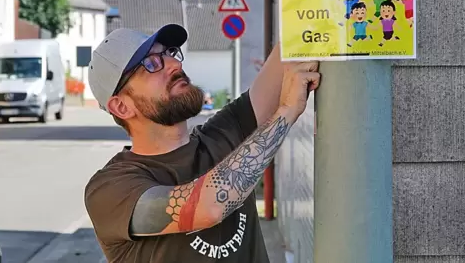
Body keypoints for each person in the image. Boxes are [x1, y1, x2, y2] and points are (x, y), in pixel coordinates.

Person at [84, 23, 320, 262]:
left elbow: (294, 39)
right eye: (152, 63)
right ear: (122, 106)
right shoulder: (110, 189)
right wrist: (287, 111)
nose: (175, 64)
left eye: (169, 52)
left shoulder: (222, 133)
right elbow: (208, 207)